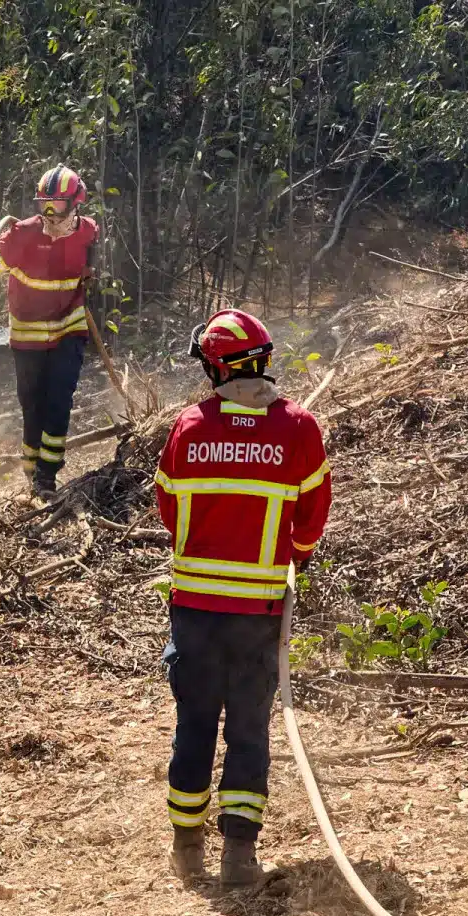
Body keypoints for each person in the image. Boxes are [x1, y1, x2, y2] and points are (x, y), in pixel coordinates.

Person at [153, 310, 331, 886]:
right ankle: (239, 859)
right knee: (249, 729)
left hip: (195, 611)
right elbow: (312, 519)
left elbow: (168, 507)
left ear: (214, 367)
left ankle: (186, 851)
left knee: (195, 723)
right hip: (259, 612)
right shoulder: (299, 429)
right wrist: (291, 559)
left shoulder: (188, 427)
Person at [0, 164, 100, 502]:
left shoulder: (88, 233)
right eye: (43, 205)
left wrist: (89, 275)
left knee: (59, 400)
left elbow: (90, 261)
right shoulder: (23, 234)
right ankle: (30, 468)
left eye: (56, 206)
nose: (49, 215)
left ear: (75, 204)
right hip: (27, 336)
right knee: (32, 405)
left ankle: (47, 475)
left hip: (69, 329)